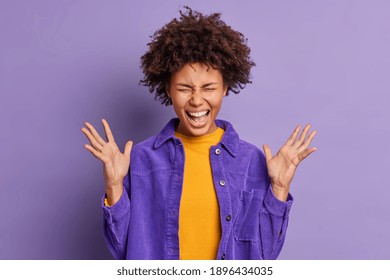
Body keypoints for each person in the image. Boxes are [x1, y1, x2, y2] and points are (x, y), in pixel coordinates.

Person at [81, 7, 317, 260]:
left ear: (225, 87)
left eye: (208, 88)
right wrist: (114, 186)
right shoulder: (139, 160)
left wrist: (279, 189)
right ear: (168, 89)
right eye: (184, 88)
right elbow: (124, 251)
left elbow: (264, 256)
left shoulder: (252, 161)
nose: (196, 100)